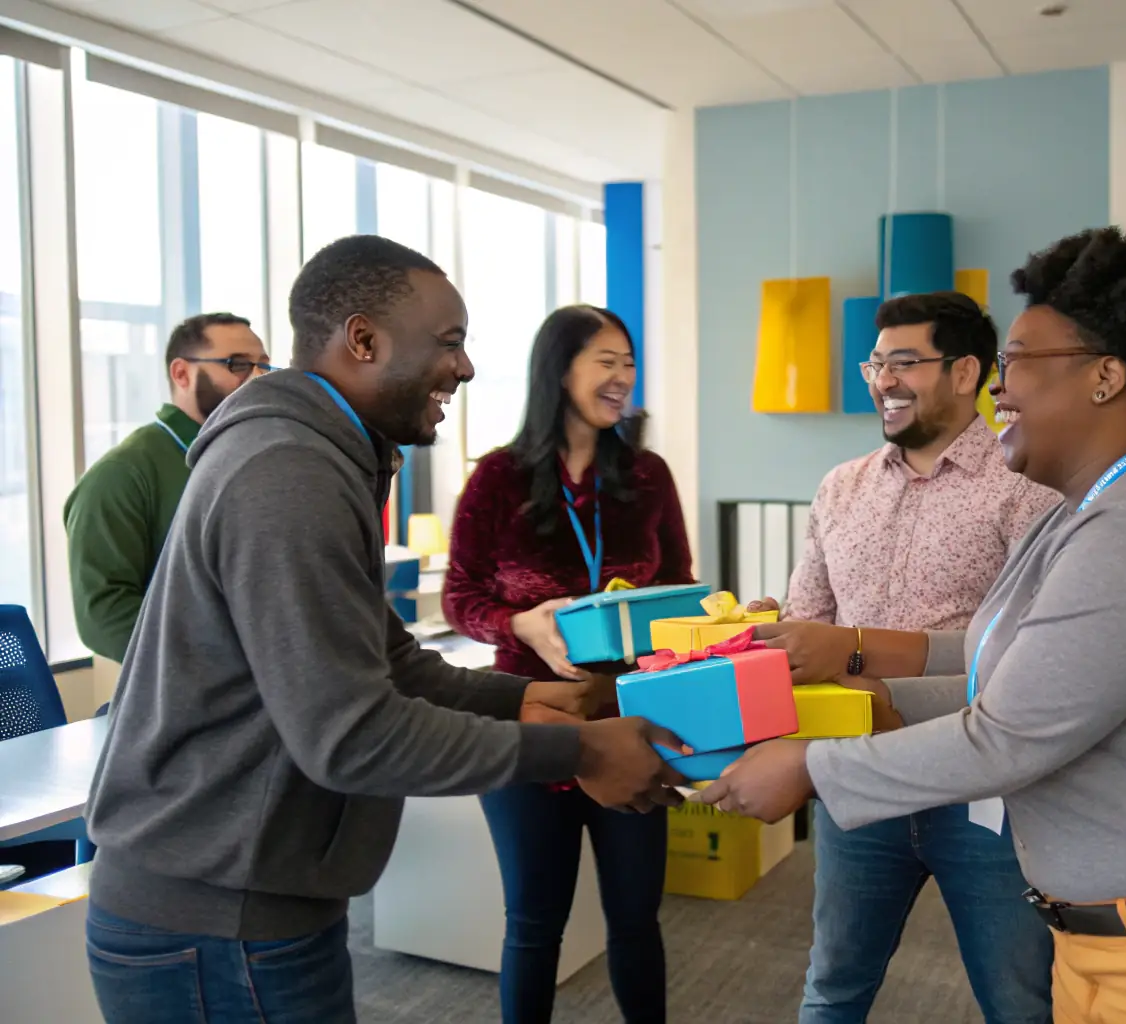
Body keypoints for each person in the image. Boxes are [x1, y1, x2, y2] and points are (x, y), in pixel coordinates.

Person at [702, 227, 1126, 1023]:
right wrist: (872, 684)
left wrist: (815, 765)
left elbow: (1010, 731)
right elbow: (1020, 658)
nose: (999, 388)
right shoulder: (1095, 507)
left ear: (1104, 377)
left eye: (1015, 362)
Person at [83, 237, 683, 1024]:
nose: (464, 369)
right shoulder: (289, 474)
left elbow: (391, 661)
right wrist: (574, 749)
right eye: (449, 343)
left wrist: (533, 700)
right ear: (362, 340)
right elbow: (350, 735)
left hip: (252, 897)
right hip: (218, 919)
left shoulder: (321, 460)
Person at [748, 291, 1058, 1024]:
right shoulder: (840, 487)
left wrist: (848, 657)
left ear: (965, 372)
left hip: (984, 790)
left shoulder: (1028, 488)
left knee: (1019, 1000)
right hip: (857, 779)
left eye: (904, 362)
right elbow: (810, 622)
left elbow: (1030, 661)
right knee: (832, 987)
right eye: (874, 363)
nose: (883, 380)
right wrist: (765, 634)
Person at [442, 304, 693, 1024]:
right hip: (525, 720)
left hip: (629, 716)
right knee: (532, 921)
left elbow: (678, 584)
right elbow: (460, 596)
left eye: (628, 362)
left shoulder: (646, 476)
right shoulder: (497, 478)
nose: (623, 377)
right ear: (559, 370)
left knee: (636, 916)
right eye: (605, 361)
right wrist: (517, 621)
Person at [63, 312, 269, 665]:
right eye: (237, 364)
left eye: (263, 366)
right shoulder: (122, 473)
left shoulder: (253, 455)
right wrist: (212, 668)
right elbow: (104, 614)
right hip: (196, 696)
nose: (257, 378)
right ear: (181, 373)